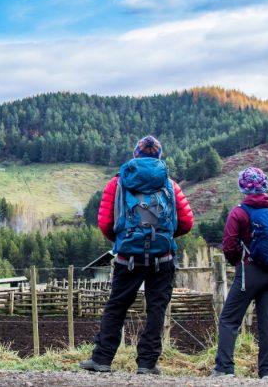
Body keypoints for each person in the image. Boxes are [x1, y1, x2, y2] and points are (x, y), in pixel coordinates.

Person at [80, 135, 193, 374]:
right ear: (159, 156)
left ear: (135, 154)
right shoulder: (170, 184)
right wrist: (165, 236)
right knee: (156, 308)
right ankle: (147, 363)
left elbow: (105, 223)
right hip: (162, 257)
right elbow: (186, 222)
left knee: (117, 306)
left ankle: (102, 359)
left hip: (127, 258)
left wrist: (124, 241)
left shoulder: (117, 183)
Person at [212, 167, 268, 379]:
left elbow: (229, 246)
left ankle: (224, 369)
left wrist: (239, 262)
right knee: (267, 322)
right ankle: (267, 373)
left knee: (229, 319)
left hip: (249, 272)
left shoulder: (239, 212)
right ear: (265, 185)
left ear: (242, 187)